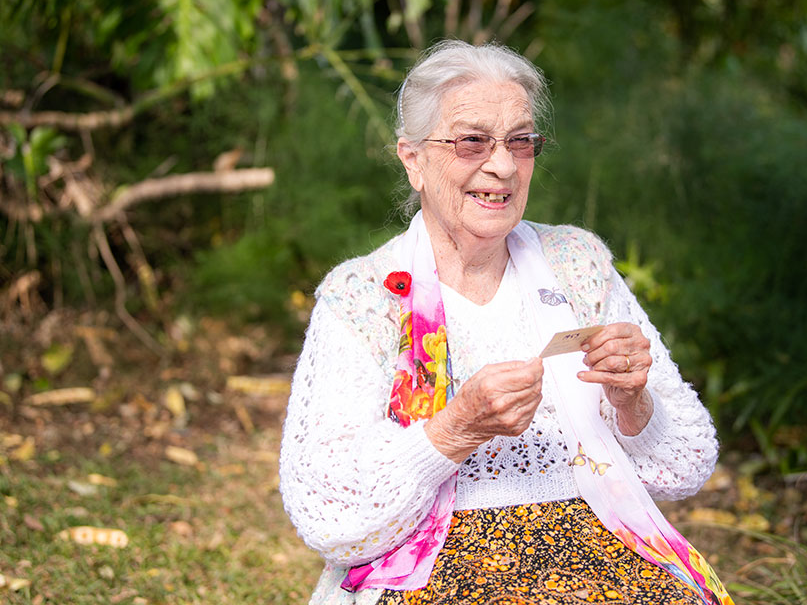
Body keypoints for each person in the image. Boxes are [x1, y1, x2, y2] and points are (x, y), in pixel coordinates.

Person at [279, 40, 733, 605]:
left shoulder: (577, 265)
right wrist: (456, 428)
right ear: (413, 159)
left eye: (520, 141)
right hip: (435, 564)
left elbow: (686, 468)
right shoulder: (365, 298)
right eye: (473, 140)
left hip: (601, 551)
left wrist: (633, 402)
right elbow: (328, 515)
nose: (501, 164)